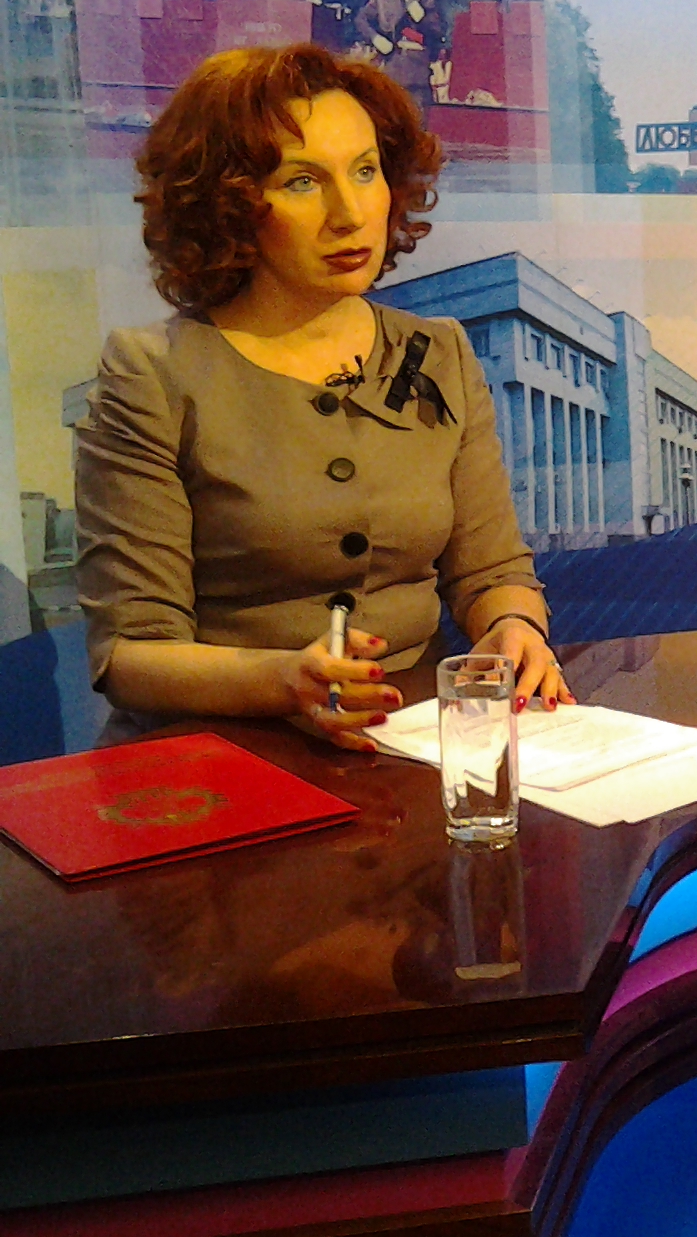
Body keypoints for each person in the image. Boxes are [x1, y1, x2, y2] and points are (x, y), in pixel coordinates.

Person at [75, 42, 567, 752]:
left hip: (407, 745)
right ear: (228, 203)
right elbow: (130, 655)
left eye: (366, 171)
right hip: (219, 757)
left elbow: (492, 571)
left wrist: (512, 626)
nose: (350, 212)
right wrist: (287, 682)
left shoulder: (441, 352)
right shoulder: (151, 373)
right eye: (303, 182)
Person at [356, 0, 444, 118]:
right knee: (390, 117)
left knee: (417, 119)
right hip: (391, 67)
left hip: (416, 70)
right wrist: (375, 38)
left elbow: (436, 34)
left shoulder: (425, 0)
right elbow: (361, 19)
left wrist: (422, 20)